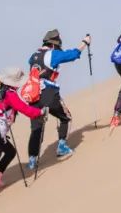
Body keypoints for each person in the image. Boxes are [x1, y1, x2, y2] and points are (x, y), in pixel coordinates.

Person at [26, 30, 91, 169]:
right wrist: (84, 43)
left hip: (33, 96)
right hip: (49, 93)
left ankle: (32, 160)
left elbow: (32, 64)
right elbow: (73, 55)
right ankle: (61, 147)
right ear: (54, 44)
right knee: (66, 117)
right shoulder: (52, 54)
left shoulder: (34, 56)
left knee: (36, 128)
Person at [0, 68, 43, 181]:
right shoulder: (9, 94)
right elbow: (25, 109)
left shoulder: (0, 93)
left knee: (9, 152)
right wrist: (40, 112)